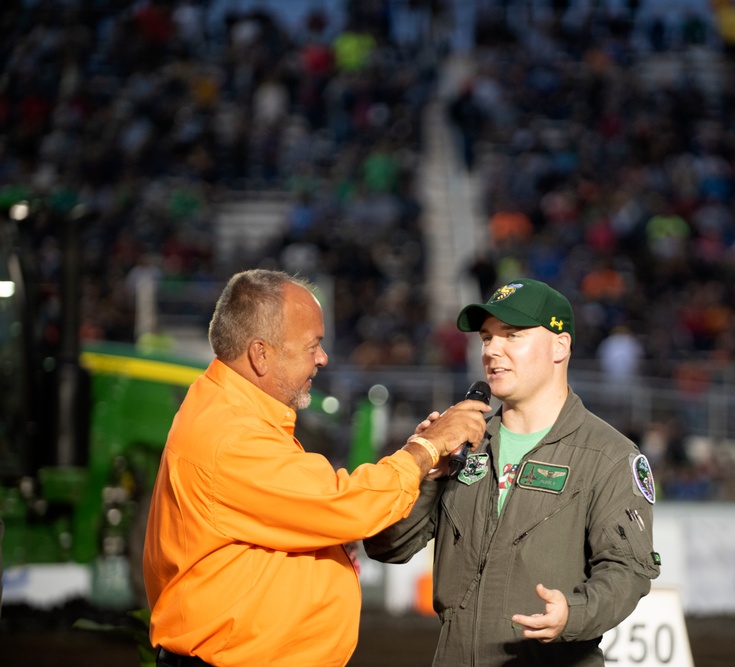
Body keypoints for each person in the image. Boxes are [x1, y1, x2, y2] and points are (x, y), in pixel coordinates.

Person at [142, 269, 489, 667]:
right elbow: (344, 504)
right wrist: (426, 447)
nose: (323, 358)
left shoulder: (233, 412)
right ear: (261, 354)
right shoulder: (232, 435)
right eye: (313, 346)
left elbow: (309, 512)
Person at [364, 278, 661, 666]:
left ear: (560, 346)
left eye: (512, 335)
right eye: (487, 338)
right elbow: (388, 548)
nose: (491, 350)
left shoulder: (608, 455)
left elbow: (628, 570)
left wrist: (573, 614)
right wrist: (427, 474)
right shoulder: (460, 442)